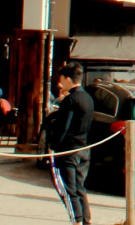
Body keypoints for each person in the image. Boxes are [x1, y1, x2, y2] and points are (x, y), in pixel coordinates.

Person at [51, 63, 95, 225]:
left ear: (68, 79)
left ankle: (76, 220)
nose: (60, 83)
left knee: (68, 190)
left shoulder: (70, 100)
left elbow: (63, 126)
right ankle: (86, 218)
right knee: (79, 187)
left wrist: (54, 146)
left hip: (68, 150)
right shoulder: (88, 98)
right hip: (84, 148)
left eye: (62, 79)